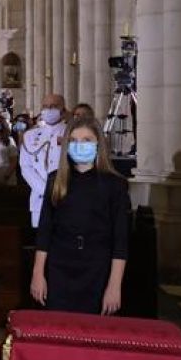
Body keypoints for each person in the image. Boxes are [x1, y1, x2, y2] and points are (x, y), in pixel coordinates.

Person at [31, 119, 131, 315]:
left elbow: (121, 241)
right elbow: (45, 232)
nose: (80, 145)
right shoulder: (56, 180)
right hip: (60, 266)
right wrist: (37, 273)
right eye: (74, 140)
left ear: (98, 144)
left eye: (86, 140)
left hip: (97, 268)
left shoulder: (114, 185)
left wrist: (114, 285)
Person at [20, 94, 69, 228]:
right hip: (39, 197)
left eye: (53, 106)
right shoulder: (30, 135)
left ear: (63, 109)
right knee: (42, 241)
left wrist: (60, 191)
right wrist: (45, 190)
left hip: (65, 196)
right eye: (45, 106)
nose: (49, 110)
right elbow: (26, 167)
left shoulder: (71, 133)